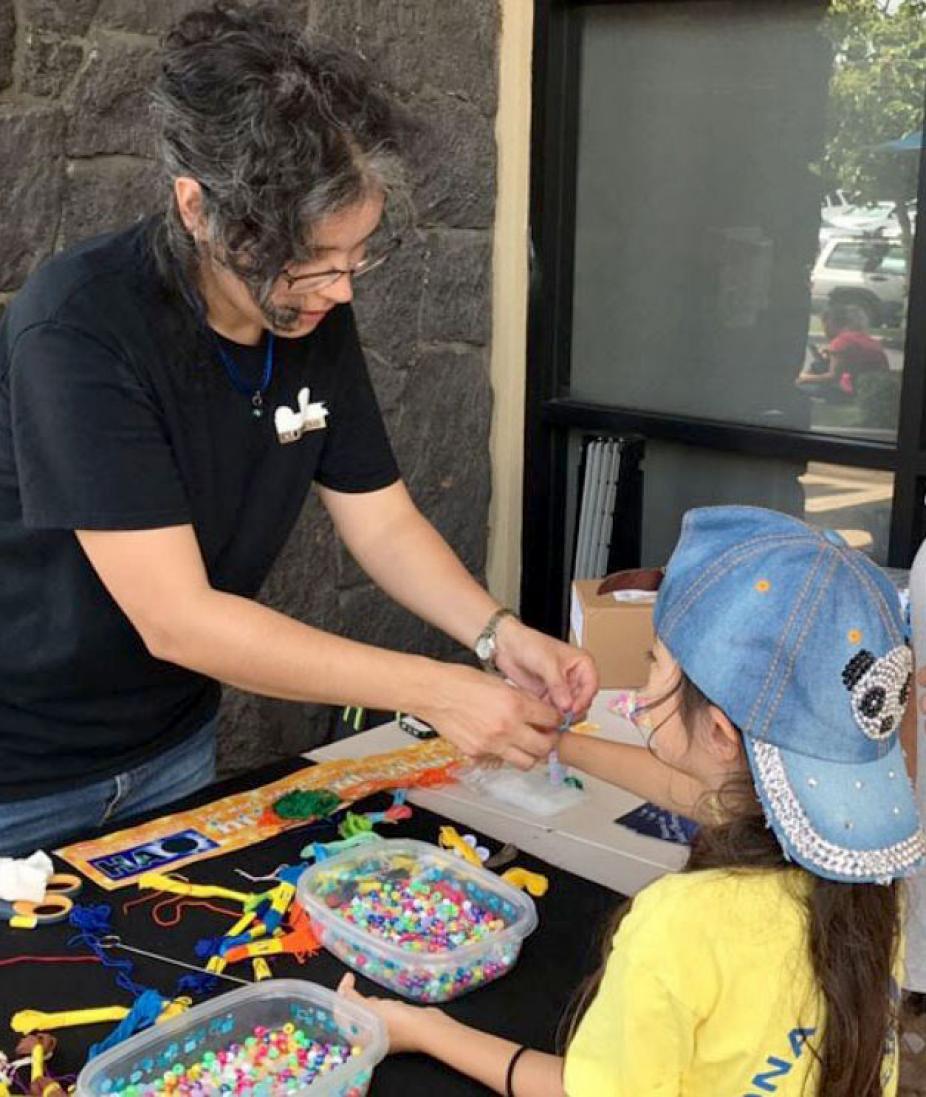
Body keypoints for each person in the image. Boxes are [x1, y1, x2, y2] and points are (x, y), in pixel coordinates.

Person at [0, 2, 596, 856]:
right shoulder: (82, 326)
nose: (339, 289)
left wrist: (496, 633)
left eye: (355, 257)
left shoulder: (308, 311)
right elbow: (179, 618)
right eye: (310, 262)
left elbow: (381, 517)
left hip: (173, 742)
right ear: (198, 209)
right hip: (24, 771)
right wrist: (434, 689)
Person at [341, 506, 925, 1097]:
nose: (642, 688)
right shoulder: (869, 887)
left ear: (721, 735)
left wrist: (425, 1029)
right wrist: (558, 745)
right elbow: (715, 795)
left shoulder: (681, 922)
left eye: (654, 665)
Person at [796, 303, 889, 402]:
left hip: (850, 392)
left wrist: (805, 378)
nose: (824, 330)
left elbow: (833, 377)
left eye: (824, 325)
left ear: (830, 323)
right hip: (872, 389)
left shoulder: (840, 342)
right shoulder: (868, 339)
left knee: (797, 388)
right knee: (818, 365)